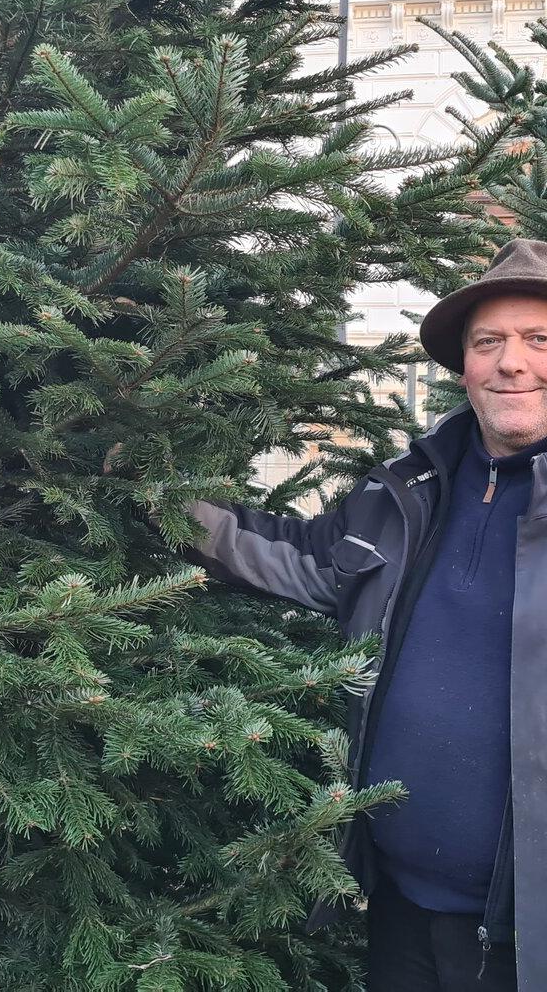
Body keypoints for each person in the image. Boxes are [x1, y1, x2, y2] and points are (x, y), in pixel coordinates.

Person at [180, 238, 547, 992]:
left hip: (525, 933)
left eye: (540, 340)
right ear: (464, 366)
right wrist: (153, 499)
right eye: (490, 342)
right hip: (399, 907)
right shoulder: (406, 495)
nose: (512, 362)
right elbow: (299, 556)